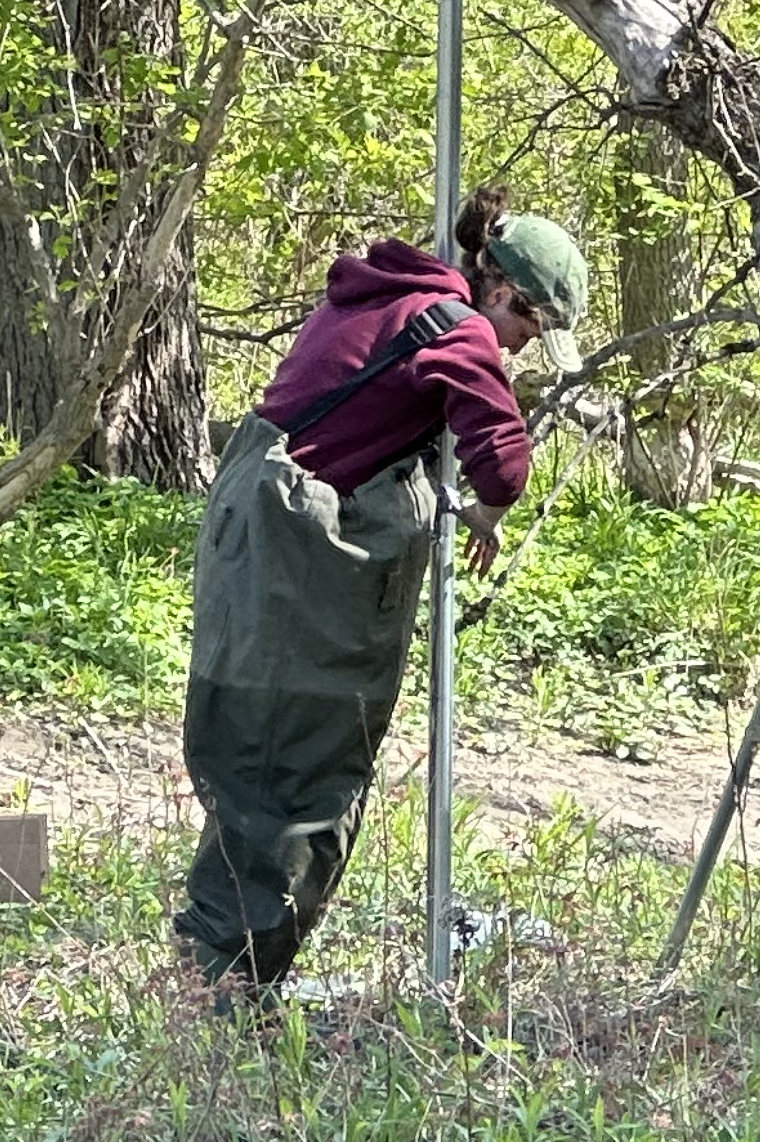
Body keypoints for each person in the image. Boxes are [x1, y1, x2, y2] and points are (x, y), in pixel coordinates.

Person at [176, 193, 593, 986]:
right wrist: (487, 512)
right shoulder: (458, 327)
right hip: (299, 562)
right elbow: (503, 458)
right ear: (502, 293)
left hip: (250, 545)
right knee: (294, 772)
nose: (521, 348)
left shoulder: (386, 296)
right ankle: (222, 993)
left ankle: (214, 971)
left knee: (252, 759)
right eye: (529, 329)